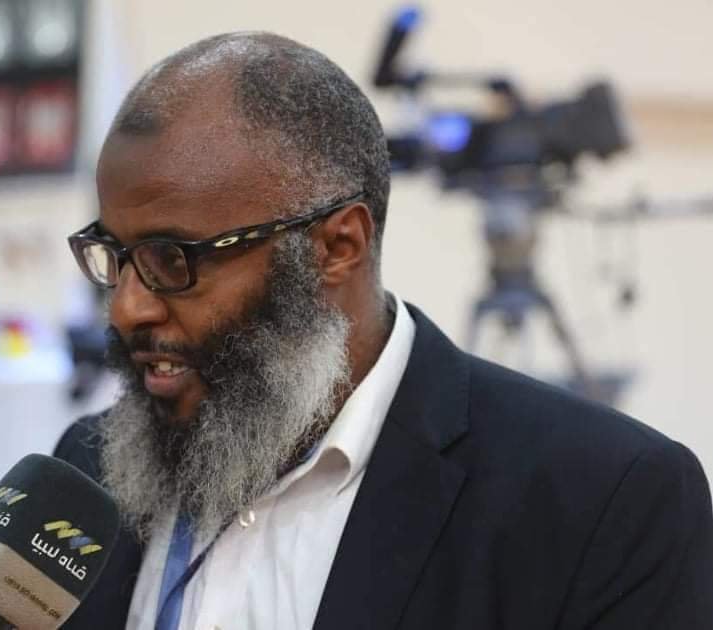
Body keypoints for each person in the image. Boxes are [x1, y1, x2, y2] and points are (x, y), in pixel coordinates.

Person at [54, 32, 713, 630]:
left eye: (172, 260)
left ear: (335, 248)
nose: (126, 309)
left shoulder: (602, 501)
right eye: (112, 255)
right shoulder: (83, 471)